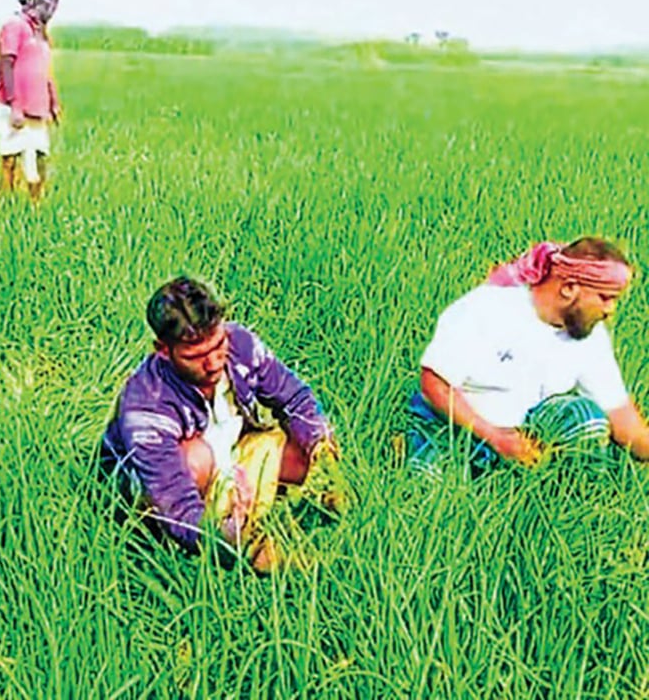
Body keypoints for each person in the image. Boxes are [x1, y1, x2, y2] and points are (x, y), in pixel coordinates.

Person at [100, 277, 348, 573]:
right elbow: (173, 501)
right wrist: (232, 542)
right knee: (195, 459)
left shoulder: (242, 345)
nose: (214, 363)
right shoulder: (146, 403)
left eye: (218, 345)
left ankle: (303, 505)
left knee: (304, 447)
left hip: (231, 457)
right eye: (196, 357)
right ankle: (203, 548)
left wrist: (320, 446)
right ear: (163, 350)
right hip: (166, 495)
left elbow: (295, 398)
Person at [406, 237, 649, 475]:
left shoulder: (590, 336)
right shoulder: (486, 309)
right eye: (605, 298)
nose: (610, 310)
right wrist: (494, 436)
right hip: (456, 428)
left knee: (586, 419)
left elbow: (621, 414)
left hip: (527, 440)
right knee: (427, 486)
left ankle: (566, 500)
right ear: (569, 288)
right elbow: (434, 383)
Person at [0, 0, 62, 201]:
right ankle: (5, 201)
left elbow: (45, 71)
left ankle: (36, 204)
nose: (49, 10)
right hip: (15, 106)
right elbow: (7, 63)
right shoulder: (15, 26)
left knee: (41, 155)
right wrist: (14, 105)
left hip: (38, 107)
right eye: (45, 4)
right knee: (10, 155)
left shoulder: (41, 33)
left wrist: (53, 102)